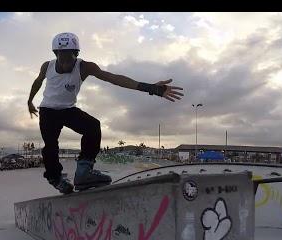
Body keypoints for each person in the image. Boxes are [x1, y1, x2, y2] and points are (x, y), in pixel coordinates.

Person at [28, 32, 184, 194]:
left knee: (93, 126)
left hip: (68, 109)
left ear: (76, 54)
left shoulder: (85, 67)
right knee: (51, 145)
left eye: (70, 58)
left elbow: (113, 78)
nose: (67, 63)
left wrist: (150, 88)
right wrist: (30, 100)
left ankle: (83, 172)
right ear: (56, 54)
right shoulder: (47, 66)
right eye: (63, 58)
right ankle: (55, 178)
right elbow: (38, 81)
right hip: (48, 110)